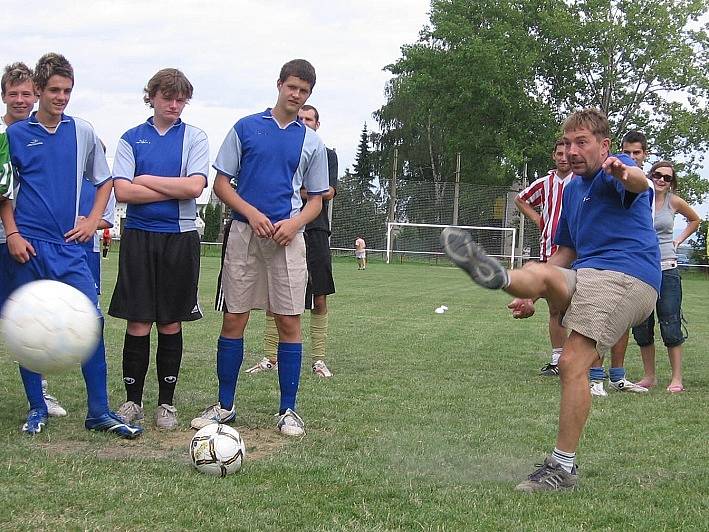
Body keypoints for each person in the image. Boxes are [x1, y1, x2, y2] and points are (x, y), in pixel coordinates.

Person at [442, 109, 659, 491]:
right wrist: (532, 295)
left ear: (604, 145)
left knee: (573, 359)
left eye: (583, 142)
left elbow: (640, 184)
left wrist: (626, 173)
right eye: (568, 143)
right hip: (588, 273)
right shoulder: (572, 190)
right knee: (538, 269)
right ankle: (504, 278)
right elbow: (564, 252)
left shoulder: (618, 167)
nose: (573, 151)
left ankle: (563, 468)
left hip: (626, 275)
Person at [0, 53, 142, 438]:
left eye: (67, 90)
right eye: (54, 90)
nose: (61, 97)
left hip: (68, 247)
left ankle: (99, 411)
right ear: (39, 91)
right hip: (26, 246)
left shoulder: (82, 131)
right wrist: (12, 234)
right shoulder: (13, 136)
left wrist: (94, 220)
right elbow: (4, 193)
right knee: (26, 325)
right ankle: (36, 408)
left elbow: (104, 180)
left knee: (90, 322)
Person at [191, 59, 329, 436]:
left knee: (288, 320)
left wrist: (294, 224)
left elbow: (316, 200)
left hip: (287, 239)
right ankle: (225, 405)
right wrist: (251, 214)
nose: (296, 95)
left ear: (309, 95)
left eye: (303, 91)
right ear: (279, 84)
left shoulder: (312, 142)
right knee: (234, 317)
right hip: (243, 235)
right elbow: (220, 185)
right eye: (292, 87)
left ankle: (288, 410)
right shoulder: (246, 128)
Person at [109, 68, 208, 431]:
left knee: (169, 320)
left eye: (181, 99)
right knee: (138, 320)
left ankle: (166, 404)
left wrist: (146, 179)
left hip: (179, 237)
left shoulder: (195, 138)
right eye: (168, 97)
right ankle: (132, 401)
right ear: (151, 96)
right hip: (138, 233)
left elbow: (195, 188)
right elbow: (123, 192)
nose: (175, 104)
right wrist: (173, 187)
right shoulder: (131, 139)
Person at [0, 62, 72, 417]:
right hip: (10, 236)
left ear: (36, 95)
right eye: (13, 94)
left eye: (26, 93)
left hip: (24, 243)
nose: (20, 100)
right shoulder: (5, 137)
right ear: (3, 97)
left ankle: (40, 393)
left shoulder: (47, 134)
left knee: (30, 317)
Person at [246, 104, 338, 378]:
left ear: (317, 124)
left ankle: (319, 359)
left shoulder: (324, 153)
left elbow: (327, 192)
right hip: (281, 228)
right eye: (300, 118)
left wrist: (294, 190)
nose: (305, 122)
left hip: (315, 230)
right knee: (277, 294)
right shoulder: (280, 149)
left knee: (319, 295)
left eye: (310, 119)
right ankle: (270, 356)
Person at [587, 130, 653, 396]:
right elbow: (632, 178)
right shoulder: (613, 171)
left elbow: (637, 180)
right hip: (606, 264)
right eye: (627, 152)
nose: (631, 158)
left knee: (621, 322)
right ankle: (594, 377)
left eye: (636, 153)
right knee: (598, 318)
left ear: (645, 154)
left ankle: (618, 376)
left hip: (635, 265)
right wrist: (624, 171)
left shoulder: (640, 182)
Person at [632, 161, 699, 392]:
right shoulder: (641, 197)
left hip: (667, 269)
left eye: (667, 177)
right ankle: (649, 376)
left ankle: (676, 378)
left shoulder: (673, 201)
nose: (661, 180)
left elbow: (695, 219)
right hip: (641, 268)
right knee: (641, 324)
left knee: (670, 323)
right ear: (650, 176)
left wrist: (679, 240)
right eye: (657, 175)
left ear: (672, 182)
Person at [514, 140, 574, 376]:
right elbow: (521, 199)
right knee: (556, 309)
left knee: (580, 308)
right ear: (553, 156)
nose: (563, 158)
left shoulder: (580, 181)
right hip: (550, 250)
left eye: (566, 154)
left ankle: (587, 362)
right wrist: (540, 221)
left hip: (577, 252)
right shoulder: (545, 183)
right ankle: (558, 359)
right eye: (559, 153)